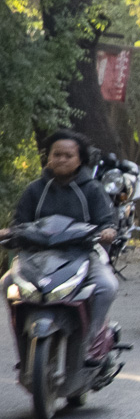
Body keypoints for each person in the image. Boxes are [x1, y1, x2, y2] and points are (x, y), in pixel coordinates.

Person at [1, 131, 118, 339]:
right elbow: (19, 224)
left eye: (68, 155)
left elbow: (106, 222)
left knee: (107, 286)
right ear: (48, 157)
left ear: (80, 160)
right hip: (35, 257)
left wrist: (108, 231)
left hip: (82, 255)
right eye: (57, 154)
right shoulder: (34, 190)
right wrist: (9, 232)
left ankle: (91, 339)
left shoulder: (92, 189)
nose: (61, 159)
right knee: (7, 283)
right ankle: (23, 339)